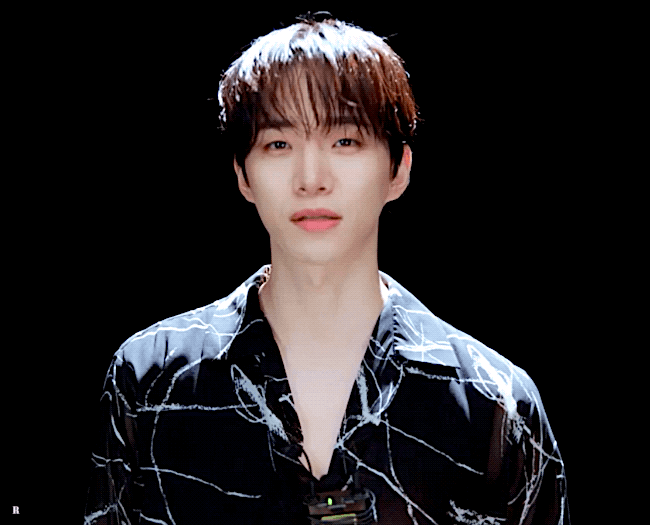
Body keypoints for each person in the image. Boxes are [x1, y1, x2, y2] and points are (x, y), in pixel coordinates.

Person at [84, 13, 570, 524]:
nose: (311, 178)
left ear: (398, 169)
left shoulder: (494, 401)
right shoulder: (150, 378)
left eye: (345, 142)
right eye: (278, 144)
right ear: (243, 175)